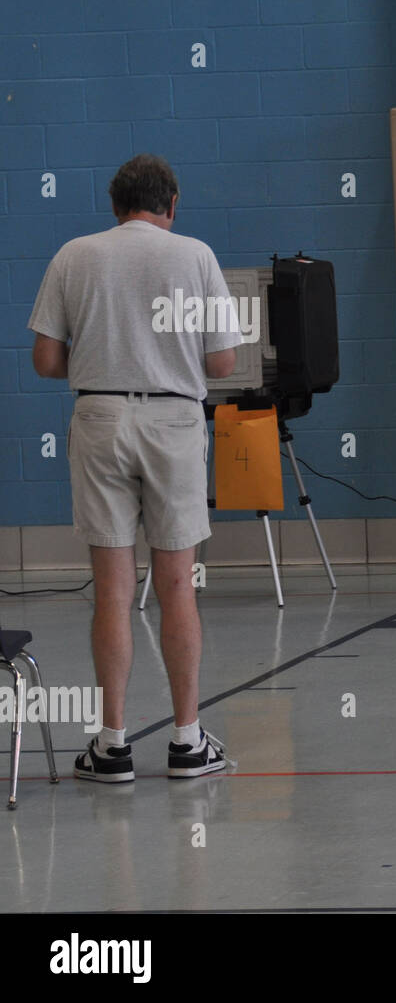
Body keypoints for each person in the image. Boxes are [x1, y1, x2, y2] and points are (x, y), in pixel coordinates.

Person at [28, 153, 242, 781]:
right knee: (177, 585)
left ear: (115, 205)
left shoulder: (74, 254)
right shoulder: (195, 256)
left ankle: (112, 743)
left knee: (113, 591)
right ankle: (185, 740)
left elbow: (45, 360)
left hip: (97, 419)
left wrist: (104, 362)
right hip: (173, 422)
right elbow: (224, 364)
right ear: (171, 206)